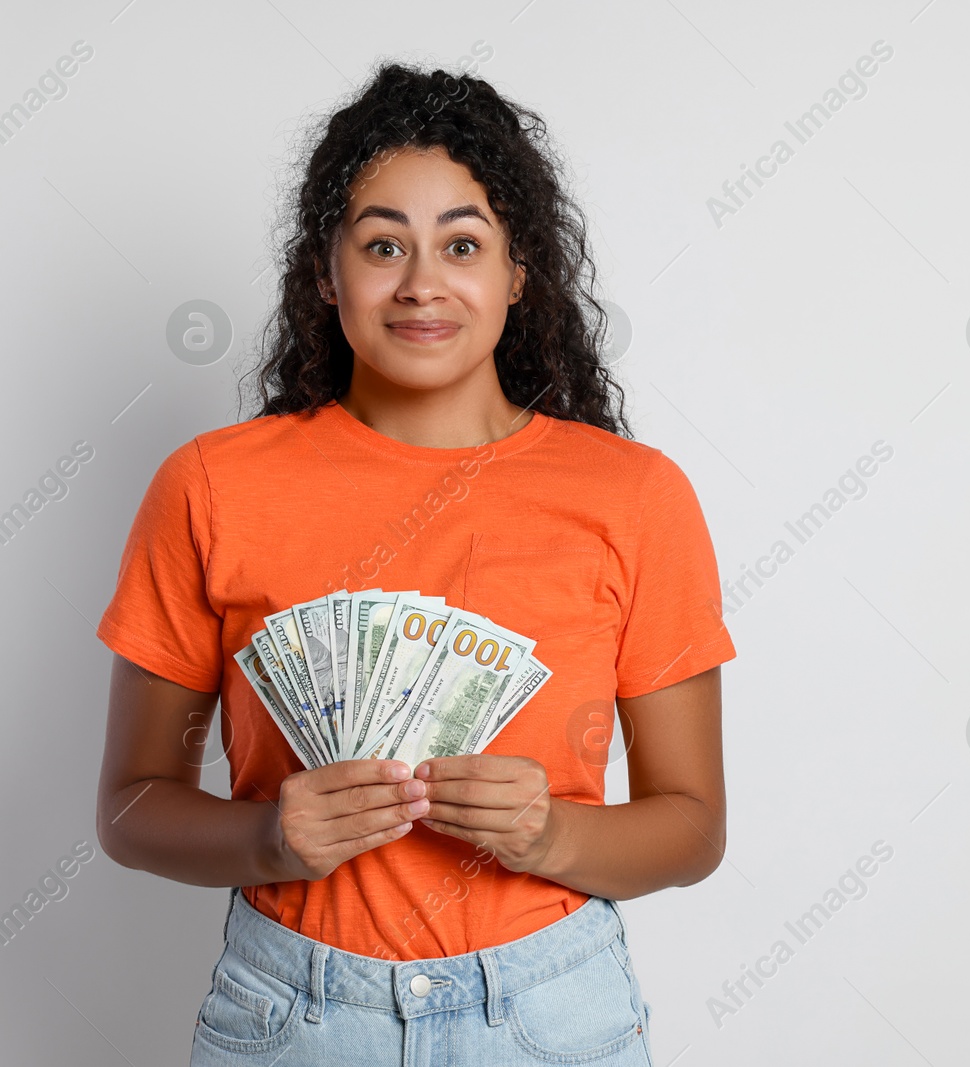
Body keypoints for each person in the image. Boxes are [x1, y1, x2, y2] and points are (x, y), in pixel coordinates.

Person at [94, 61, 735, 1066]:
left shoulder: (636, 495)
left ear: (519, 272)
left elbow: (693, 825)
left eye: (463, 244)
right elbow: (131, 806)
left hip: (550, 1009)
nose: (422, 282)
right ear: (325, 271)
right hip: (290, 1008)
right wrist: (267, 837)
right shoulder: (211, 487)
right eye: (383, 243)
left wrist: (551, 834)